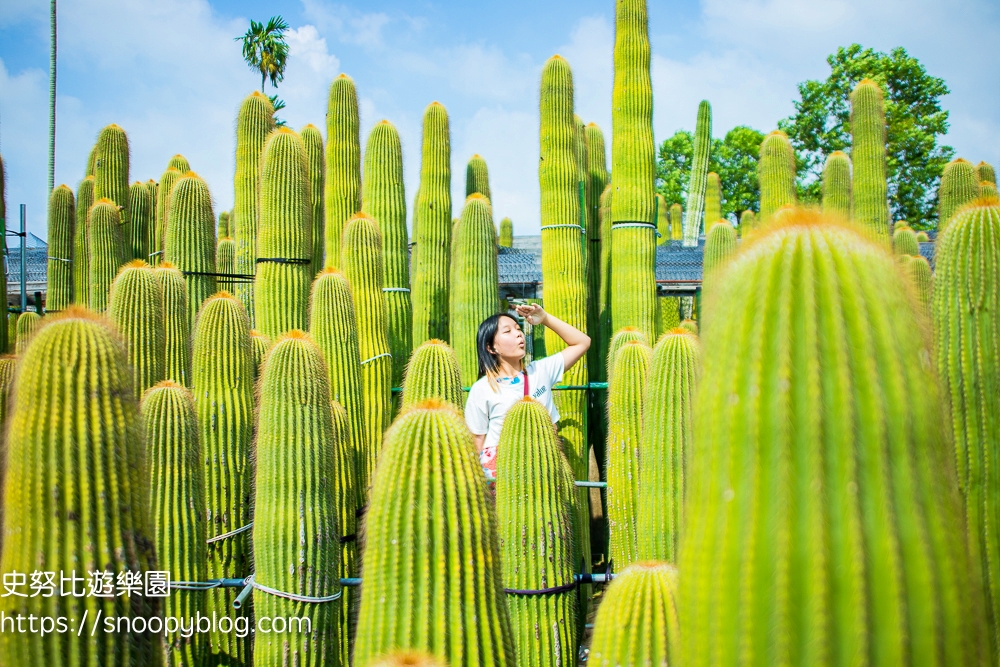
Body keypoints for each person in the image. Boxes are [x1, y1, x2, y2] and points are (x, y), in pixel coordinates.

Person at [464, 303, 590, 474]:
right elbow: (476, 440)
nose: (518, 334)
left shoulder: (541, 371)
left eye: (518, 328)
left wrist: (545, 318)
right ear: (491, 347)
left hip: (541, 467)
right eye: (508, 331)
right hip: (500, 472)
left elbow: (582, 342)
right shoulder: (482, 388)